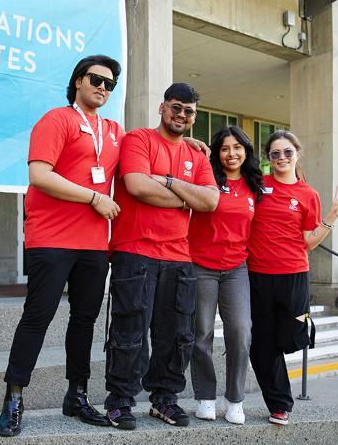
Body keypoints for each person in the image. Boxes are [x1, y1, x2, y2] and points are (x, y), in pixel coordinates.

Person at [0, 54, 123, 437]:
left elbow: (147, 149)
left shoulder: (114, 130)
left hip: (94, 244)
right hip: (51, 238)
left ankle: (77, 395)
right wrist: (93, 197)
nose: (103, 88)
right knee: (38, 316)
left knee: (84, 321)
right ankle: (14, 398)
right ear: (78, 81)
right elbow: (40, 175)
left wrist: (191, 143)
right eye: (97, 80)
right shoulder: (57, 120)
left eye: (110, 84)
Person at [103, 83, 220, 430]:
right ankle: (120, 401)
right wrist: (188, 197)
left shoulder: (197, 156)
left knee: (177, 335)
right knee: (129, 331)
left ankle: (164, 400)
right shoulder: (138, 140)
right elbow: (137, 185)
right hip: (134, 252)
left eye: (189, 111)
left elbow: (211, 202)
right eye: (176, 107)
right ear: (162, 107)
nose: (181, 115)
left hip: (178, 257)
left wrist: (166, 181)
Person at [247, 130, 338, 426]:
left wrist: (333, 214)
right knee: (261, 345)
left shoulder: (308, 194)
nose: (281, 158)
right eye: (275, 154)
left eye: (287, 152)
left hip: (294, 275)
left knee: (288, 339)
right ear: (268, 158)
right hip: (258, 276)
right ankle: (280, 404)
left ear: (297, 154)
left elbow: (309, 240)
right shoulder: (258, 186)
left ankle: (301, 331)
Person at [187, 125, 262, 425]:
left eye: (238, 147)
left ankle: (235, 400)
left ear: (246, 151)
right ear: (217, 153)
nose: (232, 154)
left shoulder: (255, 185)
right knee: (201, 332)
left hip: (236, 269)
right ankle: (205, 397)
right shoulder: (206, 178)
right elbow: (180, 148)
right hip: (201, 266)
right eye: (225, 148)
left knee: (241, 332)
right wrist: (194, 141)